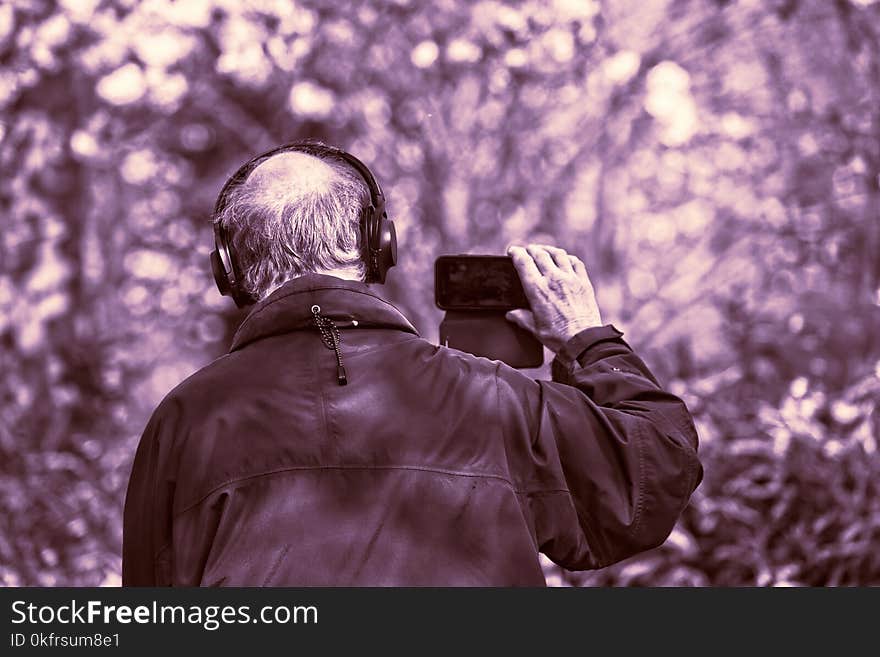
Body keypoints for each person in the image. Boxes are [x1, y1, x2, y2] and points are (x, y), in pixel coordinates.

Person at [122, 141, 702, 586]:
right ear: (379, 244)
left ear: (228, 266)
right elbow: (651, 476)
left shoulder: (186, 419)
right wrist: (586, 338)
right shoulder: (491, 399)